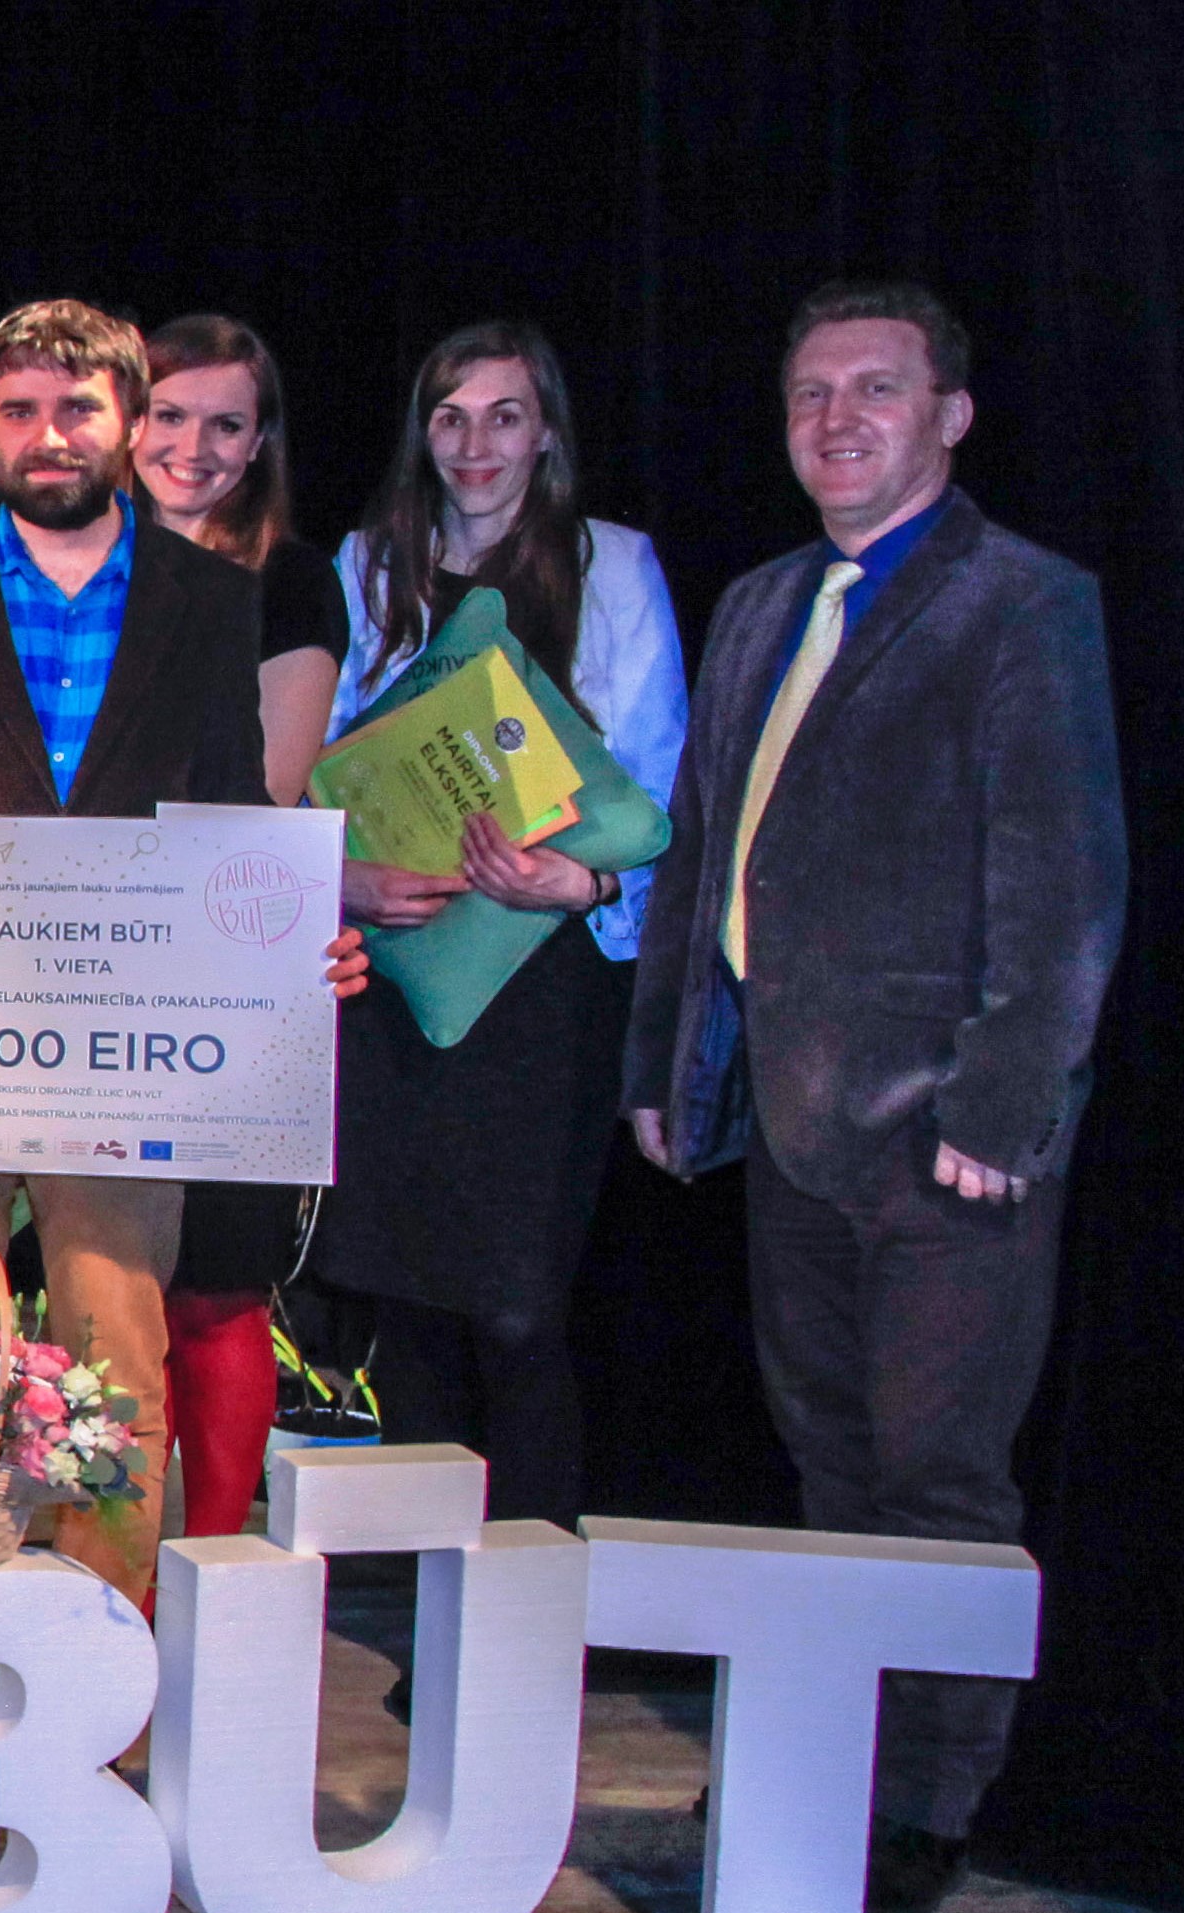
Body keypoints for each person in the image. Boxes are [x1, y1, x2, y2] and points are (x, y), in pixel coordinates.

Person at [624, 282, 1124, 1913]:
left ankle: (923, 1803)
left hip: (944, 1141)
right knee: (829, 1468)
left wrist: (1000, 1106)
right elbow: (707, 851)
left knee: (936, 1482)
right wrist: (664, 1067)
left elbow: (1062, 883)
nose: (834, 420)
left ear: (948, 416)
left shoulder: (1020, 602)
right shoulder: (761, 600)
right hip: (790, 1122)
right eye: (808, 394)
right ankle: (833, 1766)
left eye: (874, 390)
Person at [0, 300, 362, 1608]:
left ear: (126, 421)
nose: (47, 435)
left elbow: (231, 821)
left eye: (77, 409)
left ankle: (99, 1682)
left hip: (123, 1051)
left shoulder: (210, 601)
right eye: (19, 411)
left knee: (113, 1364)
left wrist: (289, 955)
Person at [303, 321, 692, 1538]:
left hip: (543, 987)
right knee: (403, 1298)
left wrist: (577, 884)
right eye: (450, 416)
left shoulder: (611, 564)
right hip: (397, 976)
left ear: (547, 434)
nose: (475, 444)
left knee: (518, 1308)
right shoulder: (367, 561)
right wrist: (344, 879)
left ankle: (525, 1592)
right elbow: (318, 759)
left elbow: (657, 776)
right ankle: (422, 1593)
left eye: (505, 415)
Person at [127, 314, 352, 1544]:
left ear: (260, 440)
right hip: (77, 971)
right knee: (101, 1289)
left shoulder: (293, 578)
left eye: (226, 423)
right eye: (168, 415)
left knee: (216, 1290)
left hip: (230, 967)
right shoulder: (52, 564)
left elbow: (265, 785)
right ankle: (111, 1578)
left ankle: (212, 1569)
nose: (193, 446)